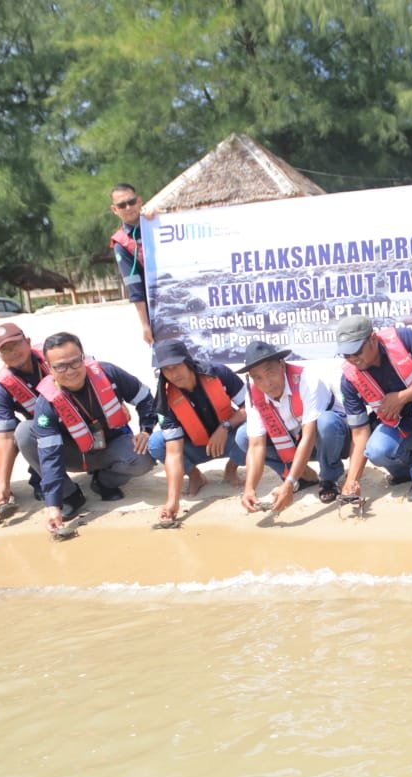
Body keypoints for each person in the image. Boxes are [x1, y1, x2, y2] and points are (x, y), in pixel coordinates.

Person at [30, 332, 157, 535]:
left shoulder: (108, 373)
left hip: (112, 446)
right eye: (61, 366)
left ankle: (103, 482)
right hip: (74, 455)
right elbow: (50, 457)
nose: (70, 371)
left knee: (144, 458)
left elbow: (145, 399)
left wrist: (146, 430)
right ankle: (69, 494)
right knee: (24, 433)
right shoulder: (46, 403)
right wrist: (53, 505)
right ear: (49, 368)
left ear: (84, 357)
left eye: (75, 362)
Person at [337, 314, 412, 502]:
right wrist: (351, 481)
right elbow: (360, 432)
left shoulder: (405, 339)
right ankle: (407, 470)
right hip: (400, 427)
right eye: (347, 355)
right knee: (376, 450)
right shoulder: (348, 379)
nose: (353, 359)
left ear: (372, 338)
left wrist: (402, 397)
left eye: (357, 352)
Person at [236, 341, 350, 514]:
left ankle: (329, 477)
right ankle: (303, 477)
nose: (266, 383)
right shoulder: (253, 395)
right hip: (295, 443)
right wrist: (249, 488)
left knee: (326, 422)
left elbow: (309, 435)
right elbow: (256, 445)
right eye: (257, 377)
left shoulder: (307, 379)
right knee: (243, 436)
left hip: (331, 440)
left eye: (270, 372)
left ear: (282, 365)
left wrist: (289, 483)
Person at [147, 339, 249, 524]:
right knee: (156, 443)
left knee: (251, 431)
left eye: (177, 366)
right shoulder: (165, 399)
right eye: (166, 369)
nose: (173, 373)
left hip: (228, 438)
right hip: (195, 447)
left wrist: (225, 427)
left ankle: (231, 468)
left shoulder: (219, 373)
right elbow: (173, 452)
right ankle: (195, 476)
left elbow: (251, 407)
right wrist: (172, 502)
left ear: (188, 361)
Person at [0, 323, 49, 507]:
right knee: (22, 430)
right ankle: (40, 476)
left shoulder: (52, 356)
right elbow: (5, 436)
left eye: (15, 344)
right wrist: (2, 484)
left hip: (78, 420)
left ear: (28, 341)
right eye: (5, 349)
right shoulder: (2, 387)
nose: (12, 352)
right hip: (44, 429)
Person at [109, 183, 154, 345]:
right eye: (122, 205)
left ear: (139, 201)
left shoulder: (159, 221)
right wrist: (145, 325)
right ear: (115, 210)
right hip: (157, 311)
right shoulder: (121, 243)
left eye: (131, 202)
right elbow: (134, 286)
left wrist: (162, 216)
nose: (128, 207)